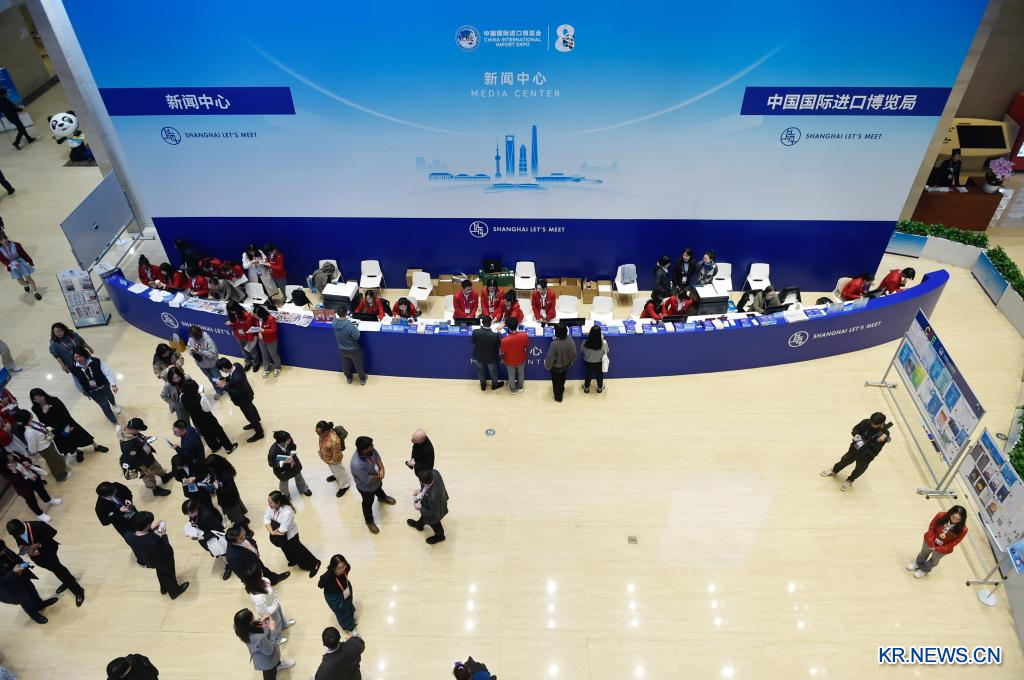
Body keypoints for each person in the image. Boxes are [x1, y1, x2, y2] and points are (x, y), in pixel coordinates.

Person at [6, 518, 84, 606]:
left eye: (20, 533)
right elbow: (18, 540)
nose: (18, 535)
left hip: (48, 550)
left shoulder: (38, 525)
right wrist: (20, 546)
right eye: (17, 534)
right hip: (35, 555)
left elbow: (53, 532)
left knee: (58, 570)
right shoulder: (15, 531)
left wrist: (38, 544)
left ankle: (78, 591)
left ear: (22, 525)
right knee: (56, 570)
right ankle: (68, 580)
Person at [30, 388, 108, 463]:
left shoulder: (54, 400)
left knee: (81, 435)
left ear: (43, 394)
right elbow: (43, 421)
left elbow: (65, 413)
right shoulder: (35, 408)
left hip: (65, 424)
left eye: (40, 397)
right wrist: (44, 413)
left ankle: (96, 446)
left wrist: (71, 424)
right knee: (68, 442)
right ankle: (78, 452)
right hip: (55, 429)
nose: (39, 400)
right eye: (36, 399)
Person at [123, 511, 189, 599]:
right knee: (168, 574)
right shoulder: (153, 540)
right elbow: (166, 548)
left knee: (159, 571)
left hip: (149, 560)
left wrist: (151, 529)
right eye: (150, 523)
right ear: (147, 525)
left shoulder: (128, 535)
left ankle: (163, 588)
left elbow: (142, 537)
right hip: (163, 559)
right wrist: (164, 534)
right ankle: (174, 592)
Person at [820, 412, 892, 491]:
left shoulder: (885, 434)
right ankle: (834, 470)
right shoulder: (866, 422)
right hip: (856, 448)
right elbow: (855, 429)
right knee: (844, 460)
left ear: (881, 424)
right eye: (871, 422)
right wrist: (857, 436)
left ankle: (850, 480)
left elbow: (877, 448)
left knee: (859, 469)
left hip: (867, 454)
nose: (871, 424)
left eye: (874, 424)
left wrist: (878, 441)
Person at [264, 491, 320, 576]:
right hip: (278, 534)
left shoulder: (288, 511)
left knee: (298, 551)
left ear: (278, 502)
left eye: (270, 503)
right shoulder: (271, 507)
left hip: (290, 535)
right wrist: (272, 532)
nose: (268, 504)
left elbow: (282, 530)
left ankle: (314, 564)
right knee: (285, 549)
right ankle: (293, 560)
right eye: (268, 502)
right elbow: (266, 518)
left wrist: (273, 531)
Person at [0, 540, 56, 624]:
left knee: (32, 590)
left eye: (4, 549)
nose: (4, 552)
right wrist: (14, 573)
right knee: (25, 600)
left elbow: (13, 556)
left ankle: (40, 605)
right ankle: (35, 616)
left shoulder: (2, 547)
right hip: (10, 585)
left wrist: (22, 564)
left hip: (21, 575)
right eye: (1, 552)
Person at [117, 417, 174, 497]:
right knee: (149, 477)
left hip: (147, 457)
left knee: (157, 466)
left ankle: (164, 476)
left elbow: (138, 437)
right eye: (139, 430)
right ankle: (155, 490)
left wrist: (144, 438)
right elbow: (134, 460)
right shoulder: (127, 445)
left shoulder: (132, 433)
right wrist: (145, 470)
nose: (139, 431)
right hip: (143, 464)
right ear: (133, 429)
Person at [351, 436, 396, 534]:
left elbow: (377, 458)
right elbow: (367, 480)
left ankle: (382, 498)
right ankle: (369, 521)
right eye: (370, 446)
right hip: (366, 488)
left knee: (379, 489)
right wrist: (380, 476)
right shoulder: (356, 464)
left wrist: (382, 468)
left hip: (377, 481)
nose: (373, 447)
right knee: (367, 503)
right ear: (363, 450)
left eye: (371, 445)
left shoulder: (370, 450)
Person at [906, 506, 968, 578]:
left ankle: (924, 569)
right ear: (950, 513)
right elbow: (931, 527)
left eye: (958, 519)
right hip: (930, 540)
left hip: (943, 548)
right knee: (923, 552)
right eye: (953, 517)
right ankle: (918, 563)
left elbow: (955, 542)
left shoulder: (963, 529)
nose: (954, 520)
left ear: (962, 519)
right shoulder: (941, 515)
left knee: (934, 560)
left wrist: (939, 548)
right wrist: (931, 542)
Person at [234, 608, 295, 678]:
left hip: (260, 652)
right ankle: (276, 666)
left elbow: (253, 626)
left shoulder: (239, 628)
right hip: (267, 662)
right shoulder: (260, 638)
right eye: (252, 617)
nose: (254, 617)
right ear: (250, 622)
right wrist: (273, 630)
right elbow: (270, 650)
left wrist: (261, 621)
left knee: (275, 661)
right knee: (270, 675)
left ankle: (278, 664)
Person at [13, 409, 70, 483]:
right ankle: (60, 477)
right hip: (45, 449)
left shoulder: (32, 423)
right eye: (29, 413)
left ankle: (62, 468)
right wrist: (32, 453)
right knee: (53, 463)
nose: (30, 412)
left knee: (55, 458)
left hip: (48, 444)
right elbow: (32, 447)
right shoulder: (29, 432)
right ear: (28, 417)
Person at [179, 379, 237, 453]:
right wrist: (202, 394)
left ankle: (214, 447)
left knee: (206, 433)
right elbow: (207, 408)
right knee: (219, 431)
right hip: (207, 418)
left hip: (196, 419)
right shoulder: (200, 398)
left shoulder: (182, 397)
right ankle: (229, 448)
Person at [1, 450, 60, 522]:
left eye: (10, 456)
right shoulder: (4, 469)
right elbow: (16, 481)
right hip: (23, 486)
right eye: (8, 459)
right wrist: (14, 471)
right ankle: (39, 514)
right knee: (31, 500)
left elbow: (27, 459)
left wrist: (27, 462)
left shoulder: (14, 454)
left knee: (41, 489)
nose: (11, 458)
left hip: (32, 476)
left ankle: (48, 500)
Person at [216, 358, 264, 442]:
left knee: (250, 415)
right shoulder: (237, 365)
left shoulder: (236, 379)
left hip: (243, 399)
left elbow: (236, 392)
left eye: (221, 369)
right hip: (247, 394)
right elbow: (232, 378)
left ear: (224, 368)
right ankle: (257, 422)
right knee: (252, 409)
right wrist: (225, 379)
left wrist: (224, 387)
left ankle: (259, 433)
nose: (221, 371)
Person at [69, 349, 122, 423]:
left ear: (84, 355)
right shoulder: (73, 368)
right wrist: (83, 391)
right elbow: (76, 381)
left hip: (104, 384)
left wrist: (113, 384)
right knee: (104, 405)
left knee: (110, 395)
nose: (78, 359)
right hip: (92, 391)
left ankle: (114, 404)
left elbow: (107, 372)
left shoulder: (96, 361)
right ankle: (115, 422)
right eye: (76, 357)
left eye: (80, 356)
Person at [225, 525, 290, 586]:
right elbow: (242, 574)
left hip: (255, 559)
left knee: (265, 570)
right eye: (242, 538)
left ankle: (274, 579)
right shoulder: (232, 557)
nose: (245, 537)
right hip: (252, 571)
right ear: (234, 542)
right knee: (261, 579)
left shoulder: (240, 534)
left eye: (244, 534)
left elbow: (248, 540)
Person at [243, 569, 295, 637]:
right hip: (271, 612)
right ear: (256, 578)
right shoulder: (258, 598)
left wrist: (276, 604)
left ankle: (284, 624)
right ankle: (277, 637)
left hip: (274, 603)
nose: (262, 571)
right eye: (260, 572)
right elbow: (263, 612)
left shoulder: (262, 580)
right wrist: (275, 606)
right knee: (276, 623)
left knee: (280, 617)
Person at [407, 468, 449, 544]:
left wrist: (420, 507)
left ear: (422, 481)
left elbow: (434, 514)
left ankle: (440, 536)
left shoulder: (433, 498)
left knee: (434, 521)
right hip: (436, 500)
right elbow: (428, 486)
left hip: (436, 509)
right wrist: (421, 490)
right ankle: (419, 525)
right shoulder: (435, 472)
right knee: (424, 516)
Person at [317, 555, 357, 632]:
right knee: (341, 612)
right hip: (334, 597)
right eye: (339, 568)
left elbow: (346, 570)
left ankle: (350, 618)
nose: (342, 570)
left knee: (349, 604)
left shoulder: (347, 568)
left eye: (343, 566)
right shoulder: (327, 577)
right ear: (333, 568)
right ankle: (350, 628)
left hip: (346, 589)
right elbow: (320, 585)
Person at [207, 453, 249, 525]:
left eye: (211, 467)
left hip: (230, 499)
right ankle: (242, 520)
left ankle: (245, 527)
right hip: (226, 498)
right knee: (237, 513)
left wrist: (217, 488)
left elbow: (230, 490)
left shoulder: (226, 475)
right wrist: (211, 480)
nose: (210, 469)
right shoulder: (218, 470)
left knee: (237, 515)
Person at [268, 430, 311, 496]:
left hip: (293, 464)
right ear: (282, 442)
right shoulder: (273, 451)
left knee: (298, 476)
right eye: (288, 440)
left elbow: (293, 447)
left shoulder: (289, 439)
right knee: (284, 482)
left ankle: (303, 488)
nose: (290, 440)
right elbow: (271, 463)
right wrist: (283, 462)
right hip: (282, 469)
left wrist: (292, 452)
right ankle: (285, 496)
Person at [332, 305, 366, 385]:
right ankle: (362, 378)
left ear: (337, 313)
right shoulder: (349, 325)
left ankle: (348, 377)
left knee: (345, 364)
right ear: (346, 313)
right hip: (353, 349)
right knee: (358, 364)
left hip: (342, 348)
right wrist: (355, 329)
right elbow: (357, 337)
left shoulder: (334, 322)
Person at [186, 326, 225, 397]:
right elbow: (189, 350)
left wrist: (200, 352)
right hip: (201, 364)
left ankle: (225, 388)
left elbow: (213, 354)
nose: (194, 338)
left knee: (217, 378)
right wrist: (191, 350)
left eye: (195, 337)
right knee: (211, 378)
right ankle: (219, 391)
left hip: (212, 364)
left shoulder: (208, 340)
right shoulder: (191, 339)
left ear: (199, 334)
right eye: (192, 337)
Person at [0, 232, 41, 300]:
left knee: (29, 278)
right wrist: (10, 263)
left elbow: (24, 254)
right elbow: (2, 260)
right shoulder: (0, 250)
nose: (4, 241)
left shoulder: (16, 245)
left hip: (21, 263)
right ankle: (25, 284)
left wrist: (30, 261)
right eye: (1, 240)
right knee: (20, 281)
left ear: (7, 238)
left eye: (4, 238)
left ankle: (36, 292)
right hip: (12, 266)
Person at [316, 420, 351, 497]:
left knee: (339, 471)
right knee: (334, 470)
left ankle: (345, 485)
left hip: (334, 460)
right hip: (328, 458)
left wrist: (334, 462)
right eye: (317, 432)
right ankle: (336, 475)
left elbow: (336, 453)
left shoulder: (334, 440)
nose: (318, 435)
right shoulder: (323, 434)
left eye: (319, 433)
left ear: (326, 431)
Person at [544, 323, 577, 403]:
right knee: (563, 378)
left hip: (556, 368)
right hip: (566, 366)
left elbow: (550, 358)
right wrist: (571, 361)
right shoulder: (570, 339)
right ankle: (561, 389)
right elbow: (574, 353)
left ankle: (558, 397)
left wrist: (547, 366)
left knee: (556, 383)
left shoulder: (554, 344)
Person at [471, 316, 504, 391]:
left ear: (482, 323)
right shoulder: (494, 335)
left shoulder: (475, 332)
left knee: (480, 371)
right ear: (490, 323)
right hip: (491, 357)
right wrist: (499, 332)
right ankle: (495, 385)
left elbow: (473, 341)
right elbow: (501, 343)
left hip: (479, 356)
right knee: (493, 371)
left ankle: (483, 385)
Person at [227, 300, 262, 372]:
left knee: (252, 350)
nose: (232, 312)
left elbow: (250, 327)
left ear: (236, 308)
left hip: (248, 336)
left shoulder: (246, 315)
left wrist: (250, 337)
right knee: (243, 350)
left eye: (233, 310)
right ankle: (248, 362)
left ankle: (256, 363)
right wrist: (231, 324)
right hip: (239, 336)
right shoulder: (231, 315)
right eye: (230, 311)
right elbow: (235, 326)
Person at [253, 305, 283, 378]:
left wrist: (264, 330)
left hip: (271, 340)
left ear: (261, 314)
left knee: (273, 354)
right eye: (255, 316)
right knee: (264, 354)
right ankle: (266, 368)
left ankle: (277, 367)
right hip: (261, 340)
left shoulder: (270, 318)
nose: (255, 317)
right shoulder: (257, 319)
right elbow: (257, 327)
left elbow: (274, 330)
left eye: (256, 316)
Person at [500, 317, 528, 394]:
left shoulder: (504, 340)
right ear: (517, 325)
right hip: (521, 358)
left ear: (508, 327)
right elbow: (526, 345)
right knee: (521, 373)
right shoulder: (525, 335)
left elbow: (503, 352)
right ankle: (520, 387)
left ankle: (513, 389)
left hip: (509, 360)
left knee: (511, 375)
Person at [581, 325, 609, 394]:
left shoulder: (585, 342)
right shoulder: (604, 343)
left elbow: (582, 351)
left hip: (588, 362)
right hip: (599, 362)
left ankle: (586, 388)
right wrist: (602, 340)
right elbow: (606, 351)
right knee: (599, 375)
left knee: (588, 375)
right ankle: (600, 388)